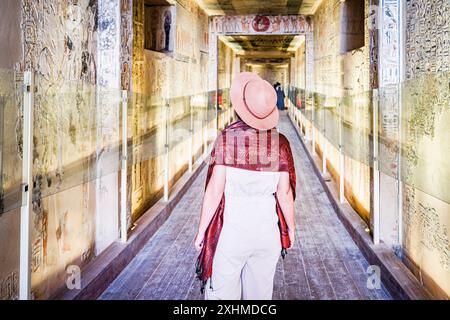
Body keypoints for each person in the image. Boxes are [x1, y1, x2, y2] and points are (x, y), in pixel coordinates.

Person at [194, 72, 296, 300]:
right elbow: (284, 193)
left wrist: (201, 231)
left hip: (233, 232)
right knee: (259, 298)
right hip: (266, 233)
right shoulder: (280, 144)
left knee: (222, 297)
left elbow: (214, 190)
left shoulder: (227, 140)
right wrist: (290, 227)